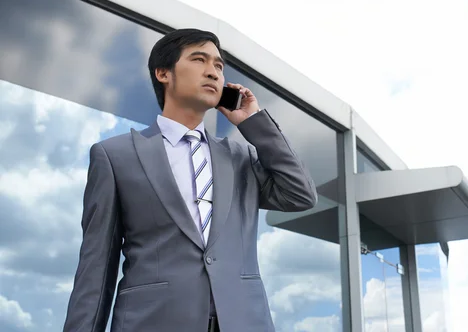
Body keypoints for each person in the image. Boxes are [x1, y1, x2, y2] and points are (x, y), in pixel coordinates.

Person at [62, 28, 318, 332]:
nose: (213, 72)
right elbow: (96, 267)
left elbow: (300, 194)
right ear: (163, 73)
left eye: (219, 66)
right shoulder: (115, 156)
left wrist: (254, 122)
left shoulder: (241, 157)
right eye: (199, 60)